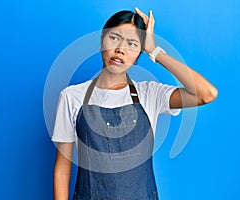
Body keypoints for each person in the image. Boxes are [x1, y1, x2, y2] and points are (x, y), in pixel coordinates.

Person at [52, 7, 218, 200]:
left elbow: (207, 94)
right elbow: (62, 171)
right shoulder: (72, 97)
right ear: (101, 42)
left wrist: (155, 51)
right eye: (114, 38)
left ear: (139, 54)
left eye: (132, 44)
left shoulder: (151, 93)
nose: (120, 49)